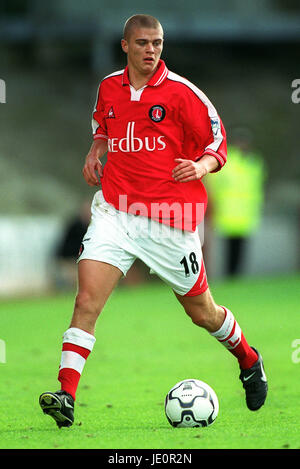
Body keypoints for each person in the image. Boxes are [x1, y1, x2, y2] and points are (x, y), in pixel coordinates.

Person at [39, 14, 268, 428]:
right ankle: (66, 396)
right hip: (116, 212)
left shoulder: (184, 94)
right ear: (125, 46)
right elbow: (103, 126)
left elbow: (218, 145)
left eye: (158, 43)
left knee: (203, 313)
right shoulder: (109, 86)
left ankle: (250, 361)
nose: (151, 50)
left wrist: (199, 168)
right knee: (86, 301)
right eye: (143, 43)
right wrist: (96, 150)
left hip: (170, 220)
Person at [207, 128, 266, 276]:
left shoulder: (254, 162)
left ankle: (236, 276)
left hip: (246, 213)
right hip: (227, 213)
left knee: (240, 249)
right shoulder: (226, 160)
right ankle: (230, 276)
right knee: (229, 250)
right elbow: (212, 184)